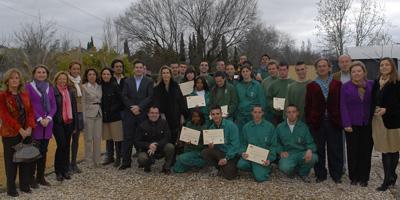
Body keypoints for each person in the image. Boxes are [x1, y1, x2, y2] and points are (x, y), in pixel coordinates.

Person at [305, 58, 343, 183]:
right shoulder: (311, 85)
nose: (322, 68)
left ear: (329, 67)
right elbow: (308, 105)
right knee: (319, 149)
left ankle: (336, 174)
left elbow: (341, 104)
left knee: (335, 149)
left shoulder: (337, 84)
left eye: (324, 66)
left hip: (334, 121)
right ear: (316, 69)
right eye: (319, 66)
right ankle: (320, 174)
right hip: (317, 122)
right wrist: (310, 121)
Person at [0, 68, 36, 197]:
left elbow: (31, 111)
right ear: (7, 81)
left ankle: (24, 185)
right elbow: (5, 116)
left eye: (17, 78)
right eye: (12, 78)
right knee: (11, 162)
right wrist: (20, 129)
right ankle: (11, 188)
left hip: (26, 132)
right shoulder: (2, 95)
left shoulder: (25, 94)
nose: (15, 80)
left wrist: (30, 127)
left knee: (25, 160)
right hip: (10, 133)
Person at [340, 61, 373, 187]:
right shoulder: (346, 87)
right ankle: (354, 177)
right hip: (352, 124)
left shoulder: (371, 85)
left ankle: (364, 177)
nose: (356, 73)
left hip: (367, 124)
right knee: (353, 151)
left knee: (366, 151)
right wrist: (346, 123)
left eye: (359, 71)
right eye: (353, 71)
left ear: (364, 72)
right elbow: (343, 106)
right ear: (350, 74)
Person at [371, 57, 400, 191]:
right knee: (384, 149)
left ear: (392, 67)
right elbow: (372, 100)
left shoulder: (397, 83)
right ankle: (391, 176)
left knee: (393, 150)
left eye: (387, 64)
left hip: (393, 122)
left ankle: (387, 179)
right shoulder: (376, 82)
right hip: (378, 121)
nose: (384, 67)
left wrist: (387, 110)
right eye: (382, 65)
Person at [25, 65, 57, 187]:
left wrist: (48, 118)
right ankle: (31, 178)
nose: (41, 74)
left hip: (47, 124)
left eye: (44, 72)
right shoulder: (29, 87)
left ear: (47, 74)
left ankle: (41, 177)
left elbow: (53, 105)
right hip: (35, 124)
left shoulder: (49, 87)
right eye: (39, 72)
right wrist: (39, 118)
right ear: (34, 74)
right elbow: (29, 105)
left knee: (43, 151)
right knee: (34, 151)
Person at [120, 60, 154, 170]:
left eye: (141, 67)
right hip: (129, 114)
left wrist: (139, 107)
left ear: (143, 69)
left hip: (142, 113)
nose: (139, 69)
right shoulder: (127, 81)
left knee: (143, 137)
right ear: (134, 69)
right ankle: (126, 162)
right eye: (137, 67)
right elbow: (124, 96)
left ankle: (142, 160)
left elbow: (150, 97)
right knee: (128, 138)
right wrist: (132, 107)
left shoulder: (149, 81)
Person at [275, 105, 318, 183]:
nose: (291, 114)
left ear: (297, 113)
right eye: (289, 112)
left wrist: (309, 150)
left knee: (314, 157)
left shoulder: (303, 127)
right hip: (288, 154)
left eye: (294, 112)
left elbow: (310, 142)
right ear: (286, 114)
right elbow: (276, 143)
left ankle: (303, 173)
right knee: (284, 167)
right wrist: (280, 151)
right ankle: (293, 171)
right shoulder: (280, 127)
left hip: (301, 153)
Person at [237, 105, 276, 182]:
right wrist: (243, 153)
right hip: (250, 156)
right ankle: (256, 169)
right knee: (240, 165)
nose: (257, 114)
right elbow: (243, 143)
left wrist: (269, 159)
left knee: (260, 178)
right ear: (252, 113)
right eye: (255, 112)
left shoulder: (270, 127)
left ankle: (268, 167)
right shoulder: (246, 127)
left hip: (263, 158)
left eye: (259, 112)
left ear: (263, 113)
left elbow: (273, 145)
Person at [201, 105, 240, 180]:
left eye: (217, 114)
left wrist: (226, 158)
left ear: (222, 114)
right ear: (211, 116)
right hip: (220, 153)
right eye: (213, 114)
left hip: (232, 154)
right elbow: (213, 147)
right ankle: (218, 167)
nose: (215, 116)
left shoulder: (231, 126)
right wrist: (211, 146)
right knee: (205, 152)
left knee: (230, 176)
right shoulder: (211, 128)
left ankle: (223, 167)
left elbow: (235, 146)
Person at [53, 71, 78, 181]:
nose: (62, 81)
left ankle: (65, 170)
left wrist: (75, 125)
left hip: (69, 122)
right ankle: (58, 171)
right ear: (56, 80)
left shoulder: (71, 92)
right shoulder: (53, 91)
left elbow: (74, 109)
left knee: (67, 146)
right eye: (60, 79)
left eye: (64, 79)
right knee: (61, 145)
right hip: (58, 123)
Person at [153, 65, 187, 146]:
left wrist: (182, 115)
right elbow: (156, 103)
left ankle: (175, 155)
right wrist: (161, 114)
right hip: (163, 116)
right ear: (161, 75)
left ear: (170, 74)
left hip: (176, 115)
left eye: (167, 73)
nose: (165, 75)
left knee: (175, 136)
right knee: (165, 136)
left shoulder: (176, 86)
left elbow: (181, 101)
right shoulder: (157, 88)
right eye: (163, 73)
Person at [135, 106, 175, 174]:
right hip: (147, 150)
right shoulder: (142, 125)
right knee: (142, 158)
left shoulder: (164, 123)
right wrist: (149, 145)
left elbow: (167, 137)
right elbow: (137, 141)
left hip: (161, 148)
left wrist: (156, 145)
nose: (154, 115)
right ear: (148, 114)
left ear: (159, 114)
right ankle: (147, 165)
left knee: (170, 147)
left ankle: (166, 167)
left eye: (156, 113)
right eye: (152, 113)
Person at [103, 59, 126, 166]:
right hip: (108, 113)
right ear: (113, 68)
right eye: (116, 66)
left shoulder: (126, 80)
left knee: (119, 136)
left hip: (121, 111)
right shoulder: (107, 81)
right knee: (109, 136)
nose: (119, 68)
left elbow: (123, 98)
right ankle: (110, 156)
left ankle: (120, 156)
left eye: (121, 66)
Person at [235, 64, 266, 141]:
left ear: (250, 72)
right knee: (242, 135)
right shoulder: (238, 86)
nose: (245, 73)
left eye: (247, 71)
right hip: (241, 116)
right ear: (241, 73)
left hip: (253, 115)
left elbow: (261, 100)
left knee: (252, 136)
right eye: (243, 71)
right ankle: (242, 151)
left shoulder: (257, 85)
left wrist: (260, 114)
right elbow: (236, 101)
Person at [81, 68, 102, 167]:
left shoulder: (99, 87)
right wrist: (84, 117)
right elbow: (83, 103)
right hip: (89, 114)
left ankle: (97, 161)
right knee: (88, 139)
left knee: (97, 138)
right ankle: (88, 161)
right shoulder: (84, 87)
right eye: (90, 74)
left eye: (94, 74)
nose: (92, 76)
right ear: (87, 76)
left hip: (99, 113)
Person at [67, 61, 84, 173]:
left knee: (76, 140)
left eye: (78, 69)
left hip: (80, 113)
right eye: (74, 69)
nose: (76, 71)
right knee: (67, 140)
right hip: (70, 113)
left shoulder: (80, 82)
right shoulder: (67, 82)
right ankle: (67, 164)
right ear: (70, 69)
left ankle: (74, 163)